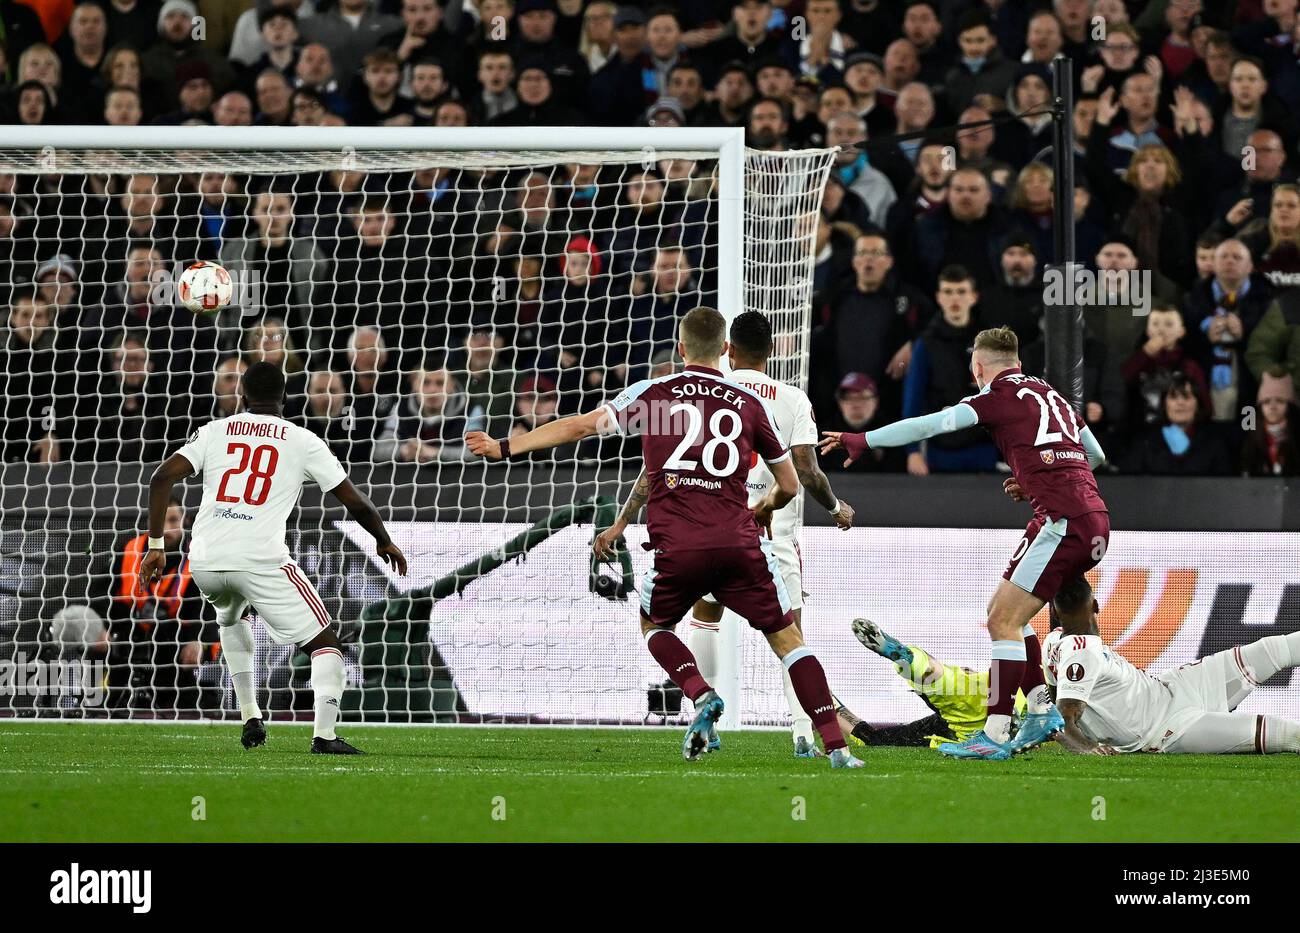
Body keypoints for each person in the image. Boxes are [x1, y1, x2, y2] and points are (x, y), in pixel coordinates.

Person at [467, 306, 863, 767]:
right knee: (788, 638)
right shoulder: (749, 404)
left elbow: (579, 427)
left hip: (678, 547)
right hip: (738, 543)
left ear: (680, 348)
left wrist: (505, 447)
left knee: (655, 626)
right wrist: (763, 509)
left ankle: (700, 694)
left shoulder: (657, 399)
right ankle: (836, 748)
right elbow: (792, 484)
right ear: (724, 350)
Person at [821, 326, 1110, 759]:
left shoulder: (993, 397)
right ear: (1018, 362)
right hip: (1092, 519)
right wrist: (1036, 478)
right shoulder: (1052, 395)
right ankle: (1039, 710)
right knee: (1006, 614)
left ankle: (993, 737)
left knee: (1002, 624)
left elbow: (931, 424)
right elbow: (1096, 456)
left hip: (1062, 522)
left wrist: (863, 438)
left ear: (977, 366)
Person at [597, 312, 855, 759]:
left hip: (693, 527)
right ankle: (805, 734)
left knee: (701, 621)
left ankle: (706, 710)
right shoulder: (791, 399)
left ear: (728, 350)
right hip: (764, 535)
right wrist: (834, 508)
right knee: (789, 636)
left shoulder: (698, 396)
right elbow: (805, 472)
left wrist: (624, 520)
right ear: (769, 351)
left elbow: (656, 467)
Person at [140, 361, 408, 754]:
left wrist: (157, 545)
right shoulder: (303, 440)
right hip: (259, 559)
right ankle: (325, 736)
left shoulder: (216, 431)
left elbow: (161, 477)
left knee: (232, 619)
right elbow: (356, 502)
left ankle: (250, 715)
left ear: (241, 396)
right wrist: (383, 540)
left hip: (206, 560)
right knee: (326, 645)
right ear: (284, 397)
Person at [1047, 575, 1300, 755]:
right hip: (1170, 729)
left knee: (1274, 650)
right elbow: (1061, 719)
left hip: (1176, 686)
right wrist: (1089, 748)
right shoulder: (1082, 652)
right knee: (1286, 733)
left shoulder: (1052, 642)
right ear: (1096, 605)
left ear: (1056, 613)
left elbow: (1053, 702)